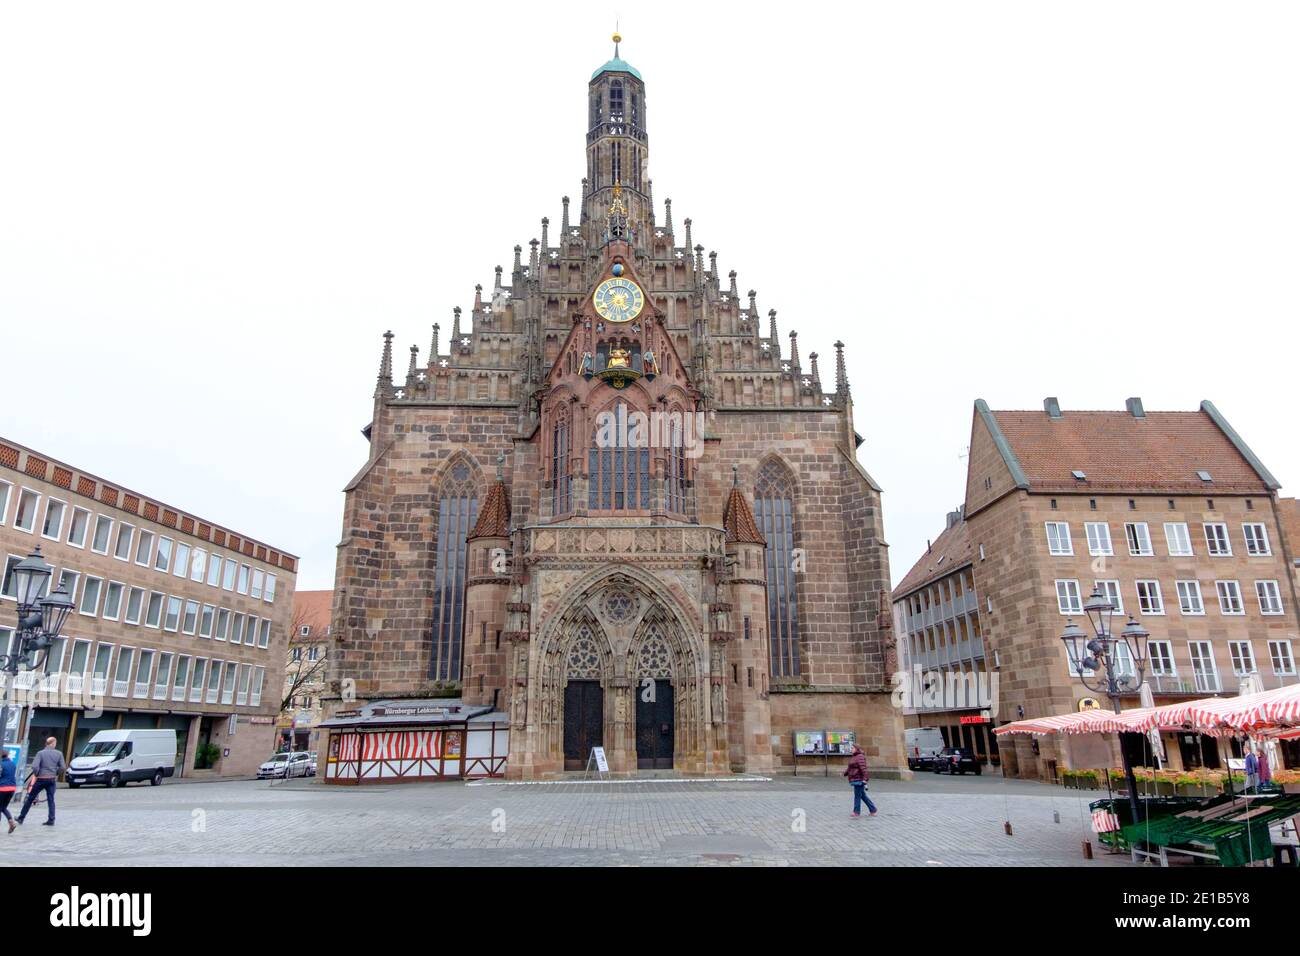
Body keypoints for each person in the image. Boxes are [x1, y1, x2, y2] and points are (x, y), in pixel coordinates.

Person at [17, 737, 64, 827]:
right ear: (52, 743)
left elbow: (35, 766)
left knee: (30, 798)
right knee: (51, 800)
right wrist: (56, 773)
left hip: (41, 779)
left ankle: (21, 817)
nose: (55, 745)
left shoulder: (40, 753)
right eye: (55, 743)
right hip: (51, 779)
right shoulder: (59, 753)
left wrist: (37, 774)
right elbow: (62, 767)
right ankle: (51, 819)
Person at [843, 744, 877, 817]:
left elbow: (863, 769)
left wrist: (865, 779)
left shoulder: (860, 757)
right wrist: (845, 773)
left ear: (857, 749)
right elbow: (850, 767)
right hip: (855, 779)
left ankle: (856, 812)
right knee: (862, 796)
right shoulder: (854, 756)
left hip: (859, 779)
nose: (851, 749)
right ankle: (873, 809)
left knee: (857, 796)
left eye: (852, 748)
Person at [0, 751, 16, 833]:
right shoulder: (13, 764)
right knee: (3, 807)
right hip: (12, 788)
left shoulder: (1, 765)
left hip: (2, 788)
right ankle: (11, 822)